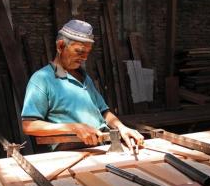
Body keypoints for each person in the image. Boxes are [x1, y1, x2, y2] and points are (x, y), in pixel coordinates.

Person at [21, 19, 143, 151]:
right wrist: (74, 127)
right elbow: (29, 125)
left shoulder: (84, 77)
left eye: (87, 53)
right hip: (71, 152)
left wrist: (122, 128)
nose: (84, 58)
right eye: (79, 52)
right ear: (60, 46)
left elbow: (104, 112)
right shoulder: (42, 79)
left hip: (102, 147)